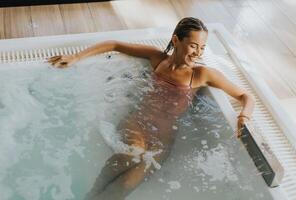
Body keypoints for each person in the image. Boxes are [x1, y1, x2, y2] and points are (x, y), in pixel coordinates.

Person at [47, 17, 255, 200]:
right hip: (137, 123)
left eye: (202, 47)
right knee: (131, 154)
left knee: (127, 184)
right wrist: (76, 57)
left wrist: (243, 115)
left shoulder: (201, 75)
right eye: (193, 46)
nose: (198, 53)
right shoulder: (158, 59)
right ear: (176, 40)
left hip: (163, 140)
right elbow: (115, 44)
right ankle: (91, 194)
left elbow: (246, 96)